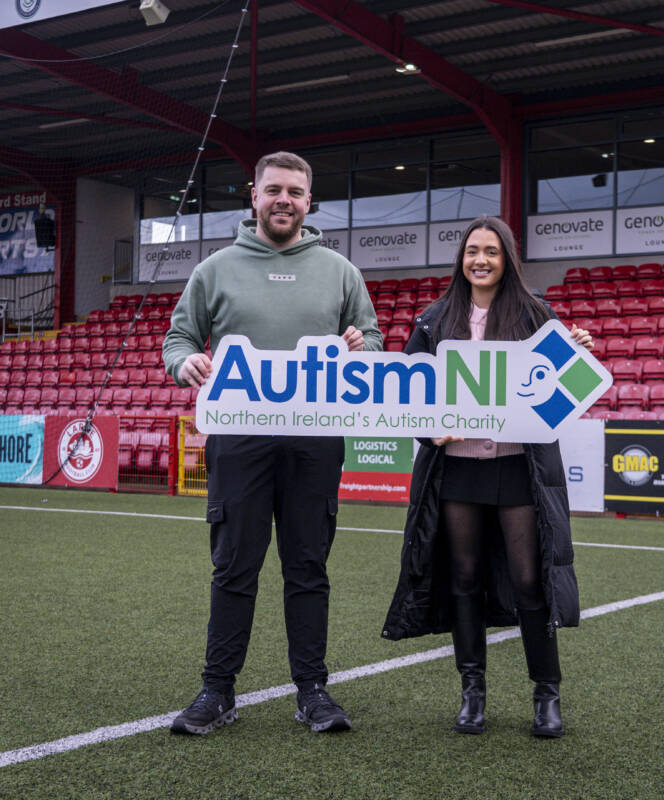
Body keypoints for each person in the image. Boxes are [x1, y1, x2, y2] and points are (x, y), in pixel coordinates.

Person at [164, 151, 382, 735]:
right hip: (238, 438)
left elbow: (377, 343)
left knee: (307, 566)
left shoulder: (341, 271)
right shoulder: (214, 269)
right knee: (234, 565)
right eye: (273, 190)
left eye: (295, 191)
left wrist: (364, 346)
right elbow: (179, 338)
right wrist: (185, 363)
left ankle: (312, 691)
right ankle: (217, 690)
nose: (284, 199)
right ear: (253, 196)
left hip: (316, 440)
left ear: (310, 201)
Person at [382, 216, 592, 738]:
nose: (480, 260)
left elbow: (562, 386)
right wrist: (430, 434)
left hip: (519, 468)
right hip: (457, 473)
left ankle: (547, 695)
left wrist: (575, 351)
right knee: (465, 579)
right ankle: (472, 693)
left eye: (491, 252)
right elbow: (409, 393)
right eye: (472, 251)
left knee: (528, 579)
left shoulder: (535, 314)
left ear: (507, 259)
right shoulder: (434, 319)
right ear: (461, 258)